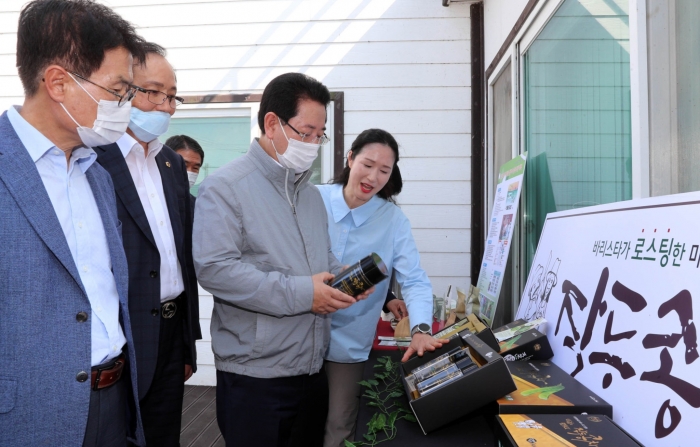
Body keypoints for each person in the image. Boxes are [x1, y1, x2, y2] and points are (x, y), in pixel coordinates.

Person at [193, 72, 370, 447]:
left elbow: (321, 257)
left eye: (319, 135)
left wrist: (343, 280)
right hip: (254, 376)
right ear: (272, 123)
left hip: (310, 368)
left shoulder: (309, 194)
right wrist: (304, 294)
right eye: (305, 132)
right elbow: (215, 269)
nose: (312, 144)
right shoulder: (225, 188)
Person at [0, 0, 146, 445]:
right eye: (118, 90)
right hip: (29, 416)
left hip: (114, 401)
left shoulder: (96, 173)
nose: (127, 105)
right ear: (59, 83)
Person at [95, 43, 201, 446]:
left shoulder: (171, 164)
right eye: (154, 91)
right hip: (123, 337)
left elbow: (180, 260)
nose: (166, 106)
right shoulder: (94, 159)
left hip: (172, 334)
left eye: (172, 96)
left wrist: (187, 342)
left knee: (164, 435)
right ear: (123, 89)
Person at [317, 128, 448, 447]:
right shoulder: (313, 199)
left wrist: (420, 329)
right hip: (295, 333)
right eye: (367, 163)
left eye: (384, 170)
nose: (373, 176)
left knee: (339, 427)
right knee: (294, 420)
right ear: (350, 158)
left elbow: (414, 279)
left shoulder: (393, 221)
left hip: (348, 343)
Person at [166, 134, 204, 207]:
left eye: (195, 168)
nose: (189, 172)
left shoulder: (198, 207)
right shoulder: (150, 200)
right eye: (184, 165)